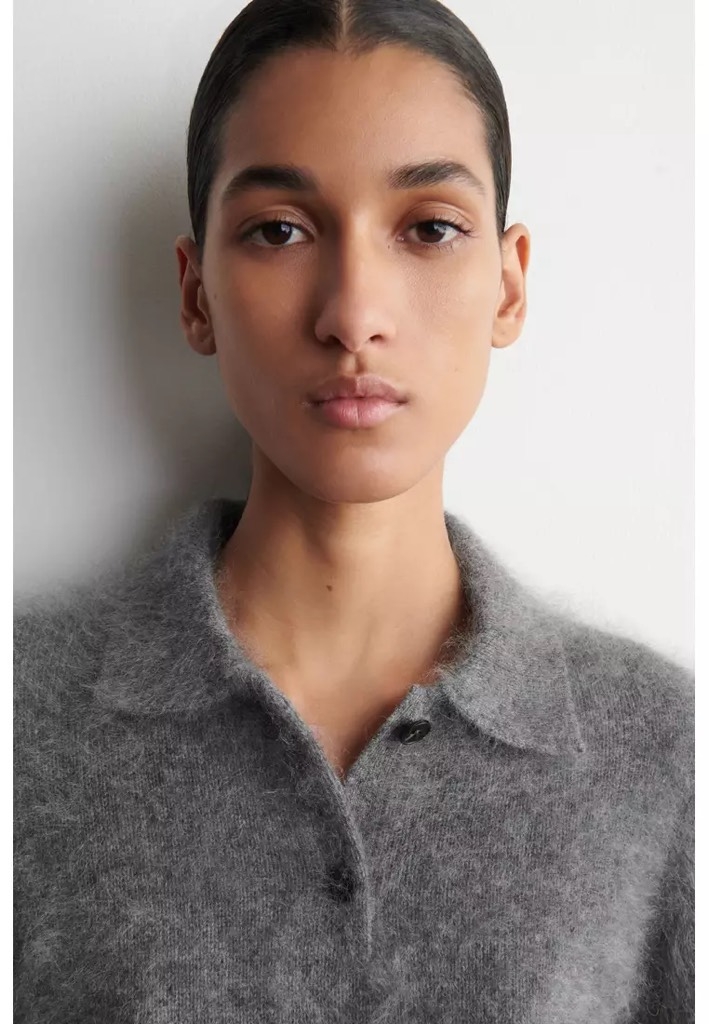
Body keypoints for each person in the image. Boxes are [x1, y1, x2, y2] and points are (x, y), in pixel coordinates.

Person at [13, 0, 694, 1021]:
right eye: (279, 230)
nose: (353, 315)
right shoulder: (25, 723)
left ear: (508, 286)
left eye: (430, 228)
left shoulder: (664, 757)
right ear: (195, 294)